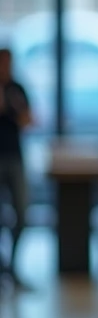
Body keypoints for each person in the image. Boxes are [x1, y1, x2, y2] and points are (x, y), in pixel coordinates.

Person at [0, 48, 32, 291]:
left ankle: (13, 267)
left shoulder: (17, 89)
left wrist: (12, 108)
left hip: (15, 159)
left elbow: (28, 120)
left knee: (21, 214)